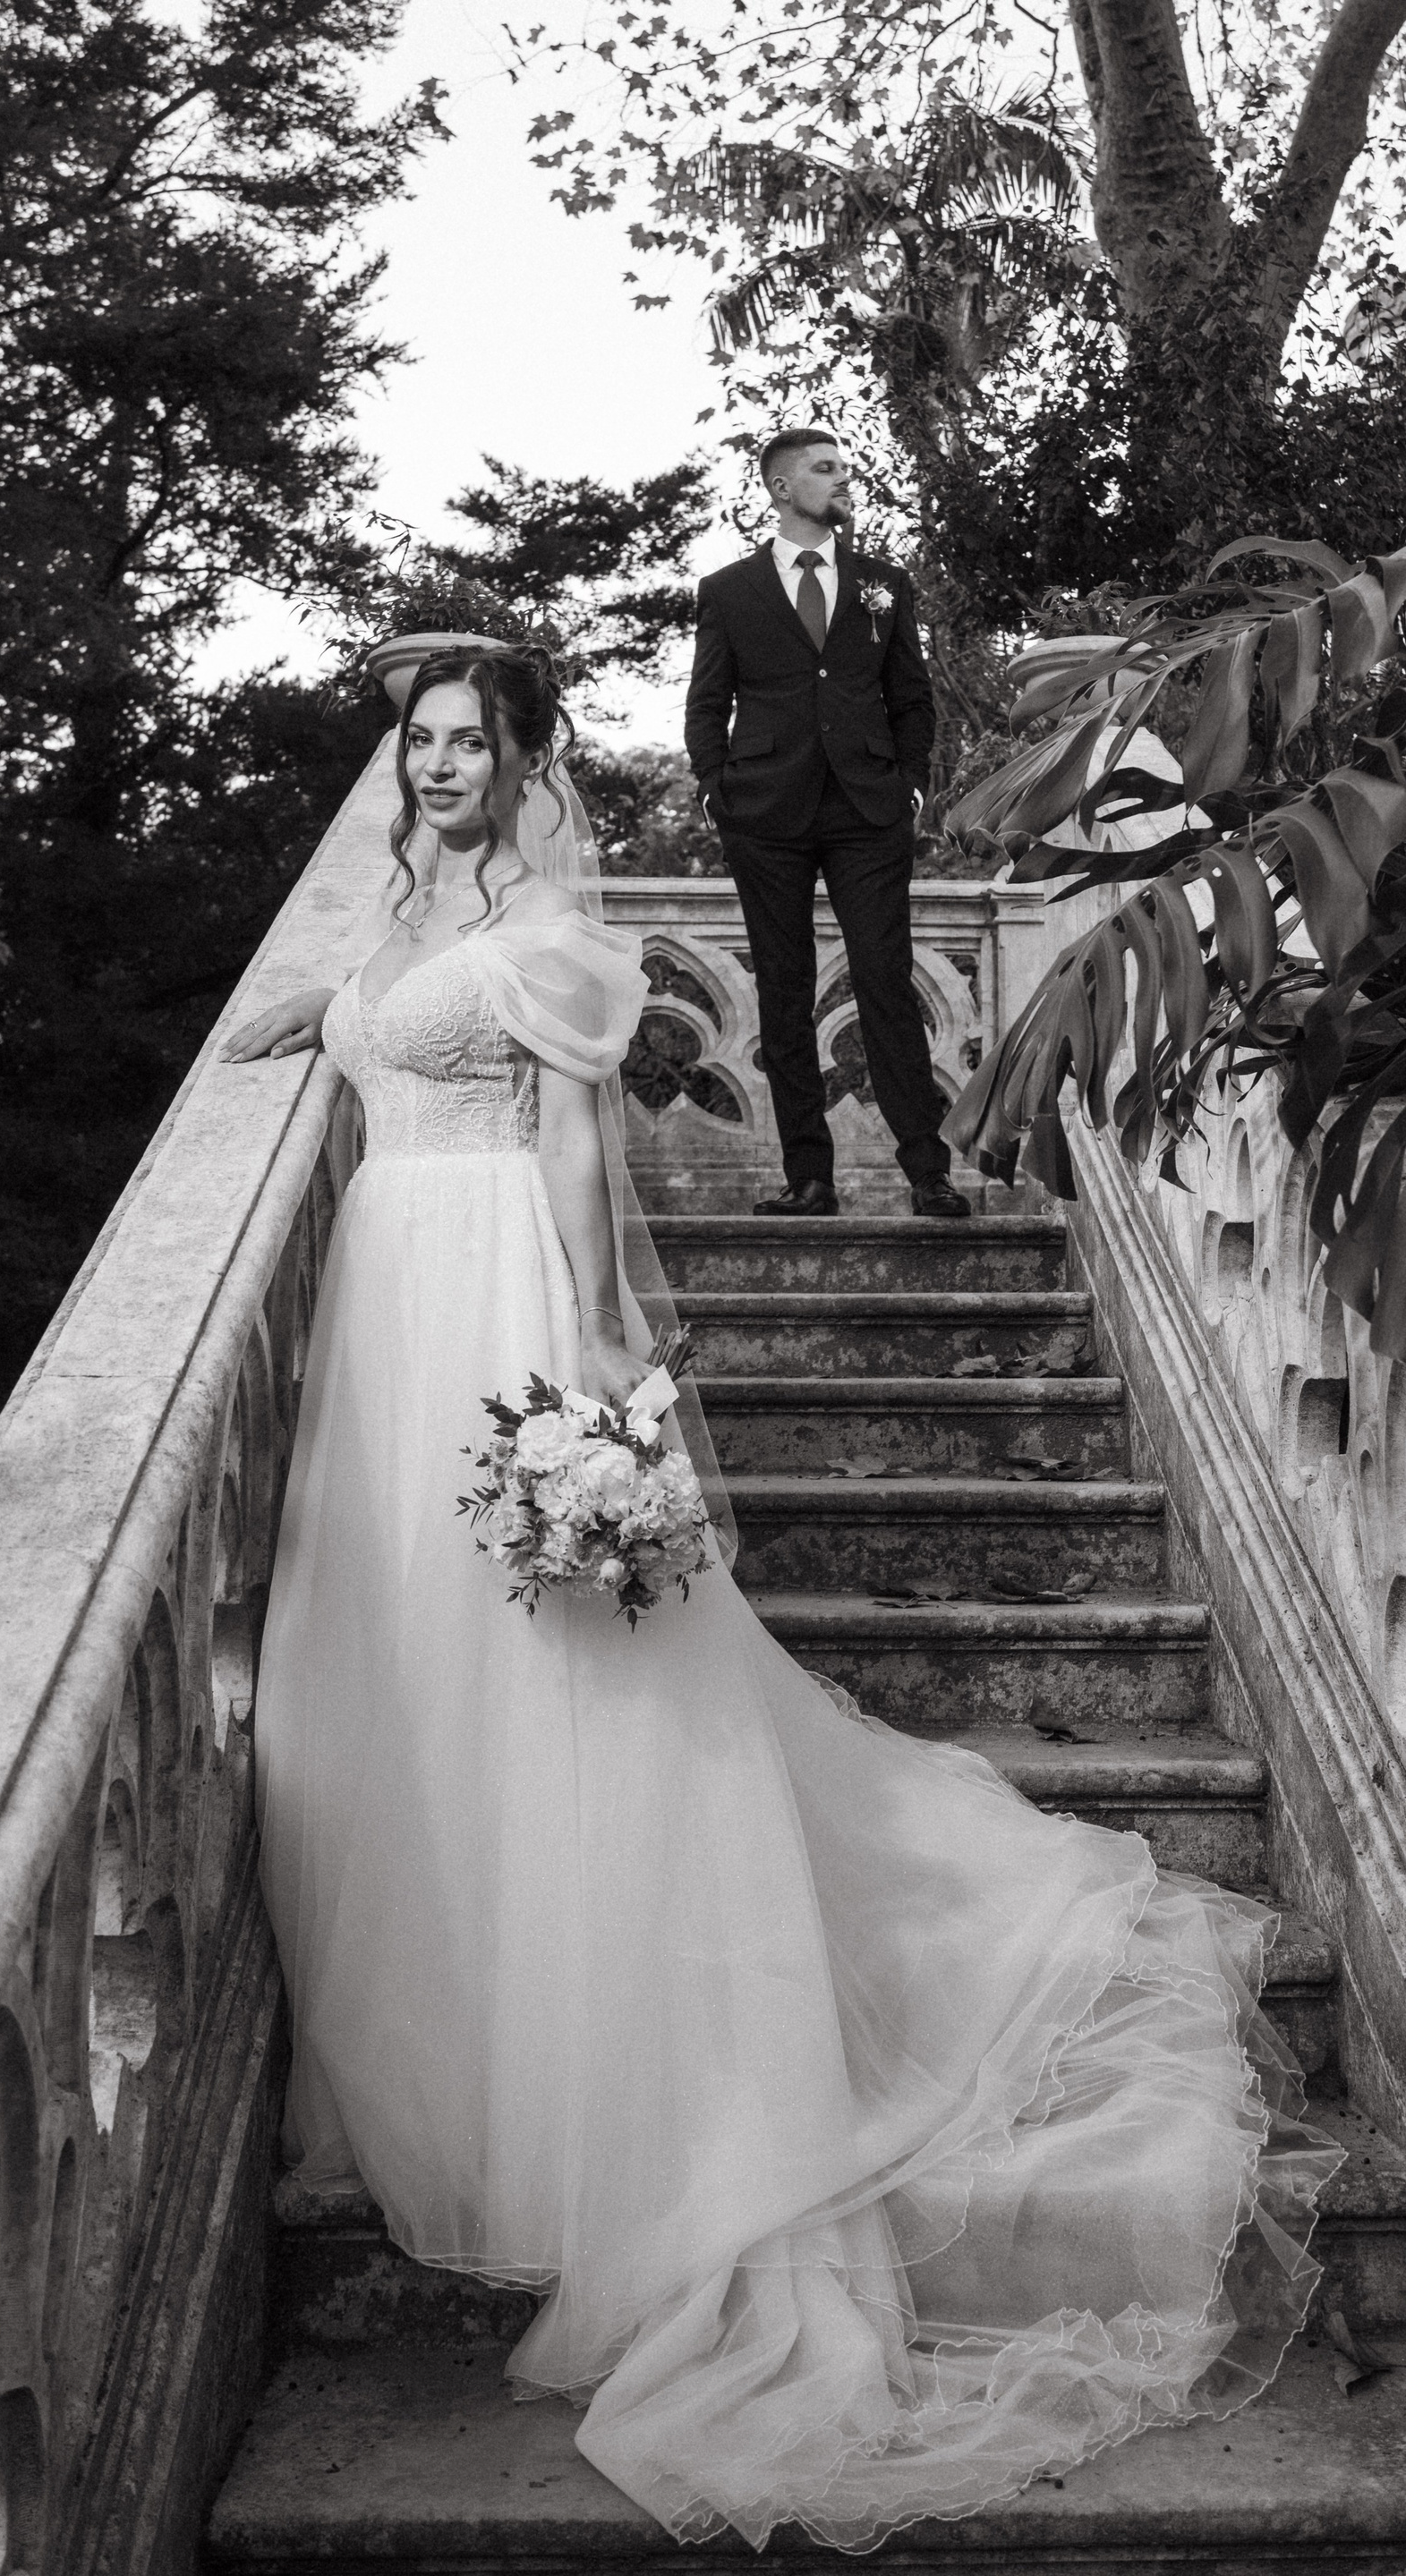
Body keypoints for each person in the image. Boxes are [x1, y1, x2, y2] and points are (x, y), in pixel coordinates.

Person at [220, 639, 1335, 2555]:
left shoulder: (552, 935)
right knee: (392, 1679)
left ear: (525, 763)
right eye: (421, 744)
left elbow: (573, 1141)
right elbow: (379, 1023)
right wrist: (313, 1006)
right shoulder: (395, 919)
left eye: (472, 742)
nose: (443, 766)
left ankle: (608, 2063)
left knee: (556, 1677)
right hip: (376, 1321)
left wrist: (592, 1360)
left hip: (486, 1296)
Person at [685, 427, 969, 1219]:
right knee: (784, 991)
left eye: (845, 467)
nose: (845, 478)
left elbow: (912, 697)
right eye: (826, 468)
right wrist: (715, 792)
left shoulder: (884, 583)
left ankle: (928, 1172)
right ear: (782, 487)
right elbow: (707, 702)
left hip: (867, 810)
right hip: (764, 812)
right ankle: (809, 1177)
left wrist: (911, 788)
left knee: (886, 981)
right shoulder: (728, 590)